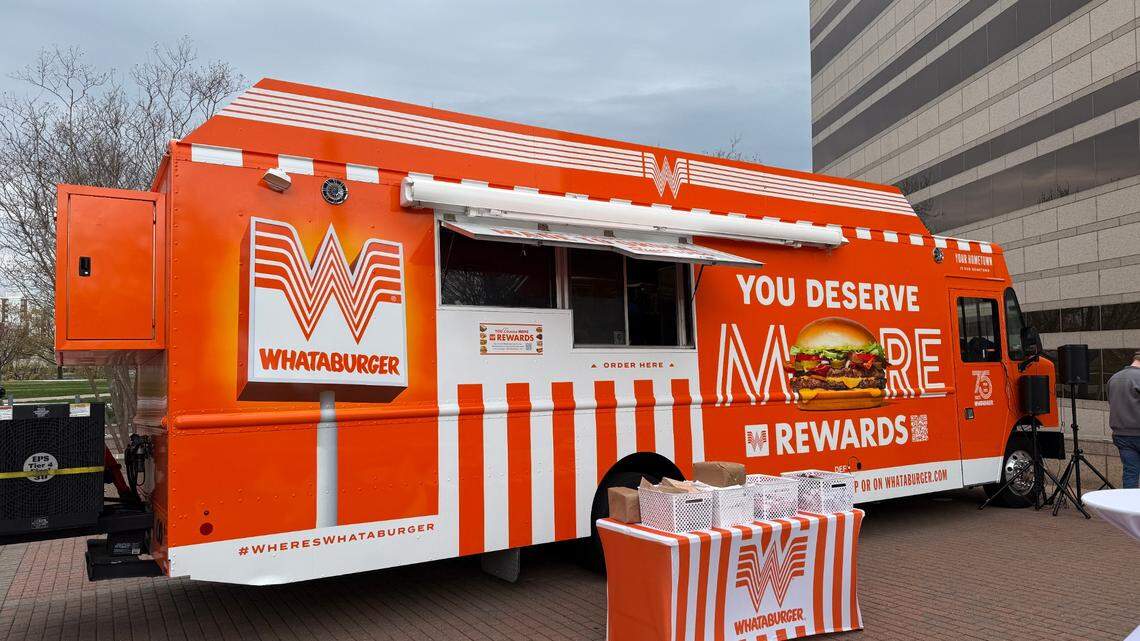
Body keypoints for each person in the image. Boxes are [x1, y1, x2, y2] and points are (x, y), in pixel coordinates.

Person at [1108, 350, 1140, 489]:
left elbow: (1111, 403)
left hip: (1121, 435)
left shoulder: (1113, 378)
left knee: (1130, 473)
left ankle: (1129, 508)